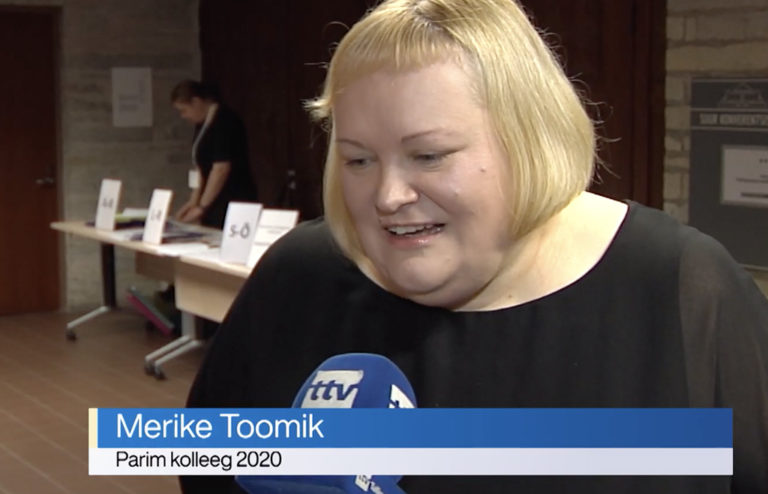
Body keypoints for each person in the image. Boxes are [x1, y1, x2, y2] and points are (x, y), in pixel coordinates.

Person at [182, 0, 768, 493]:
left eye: (429, 155)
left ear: (528, 140)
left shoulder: (683, 290)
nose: (387, 196)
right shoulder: (297, 278)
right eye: (359, 160)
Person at [171, 80, 257, 229]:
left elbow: (220, 169)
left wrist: (202, 207)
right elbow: (200, 167)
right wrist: (194, 201)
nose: (183, 116)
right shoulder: (202, 124)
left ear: (196, 102)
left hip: (232, 200)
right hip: (212, 201)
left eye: (184, 110)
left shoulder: (225, 121)